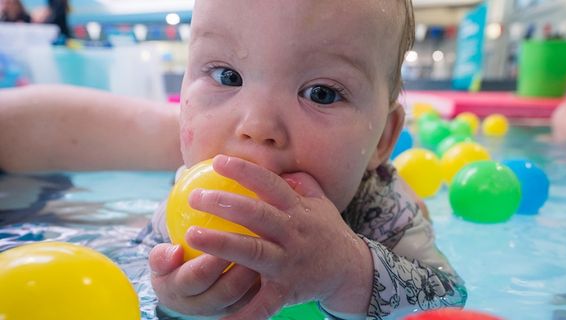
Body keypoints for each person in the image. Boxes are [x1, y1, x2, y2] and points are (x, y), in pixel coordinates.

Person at [0, 0, 467, 318]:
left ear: (383, 139)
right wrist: (173, 299)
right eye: (227, 75)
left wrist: (350, 272)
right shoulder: (192, 202)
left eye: (321, 93)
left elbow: (448, 295)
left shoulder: (381, 209)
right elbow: (138, 275)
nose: (256, 125)